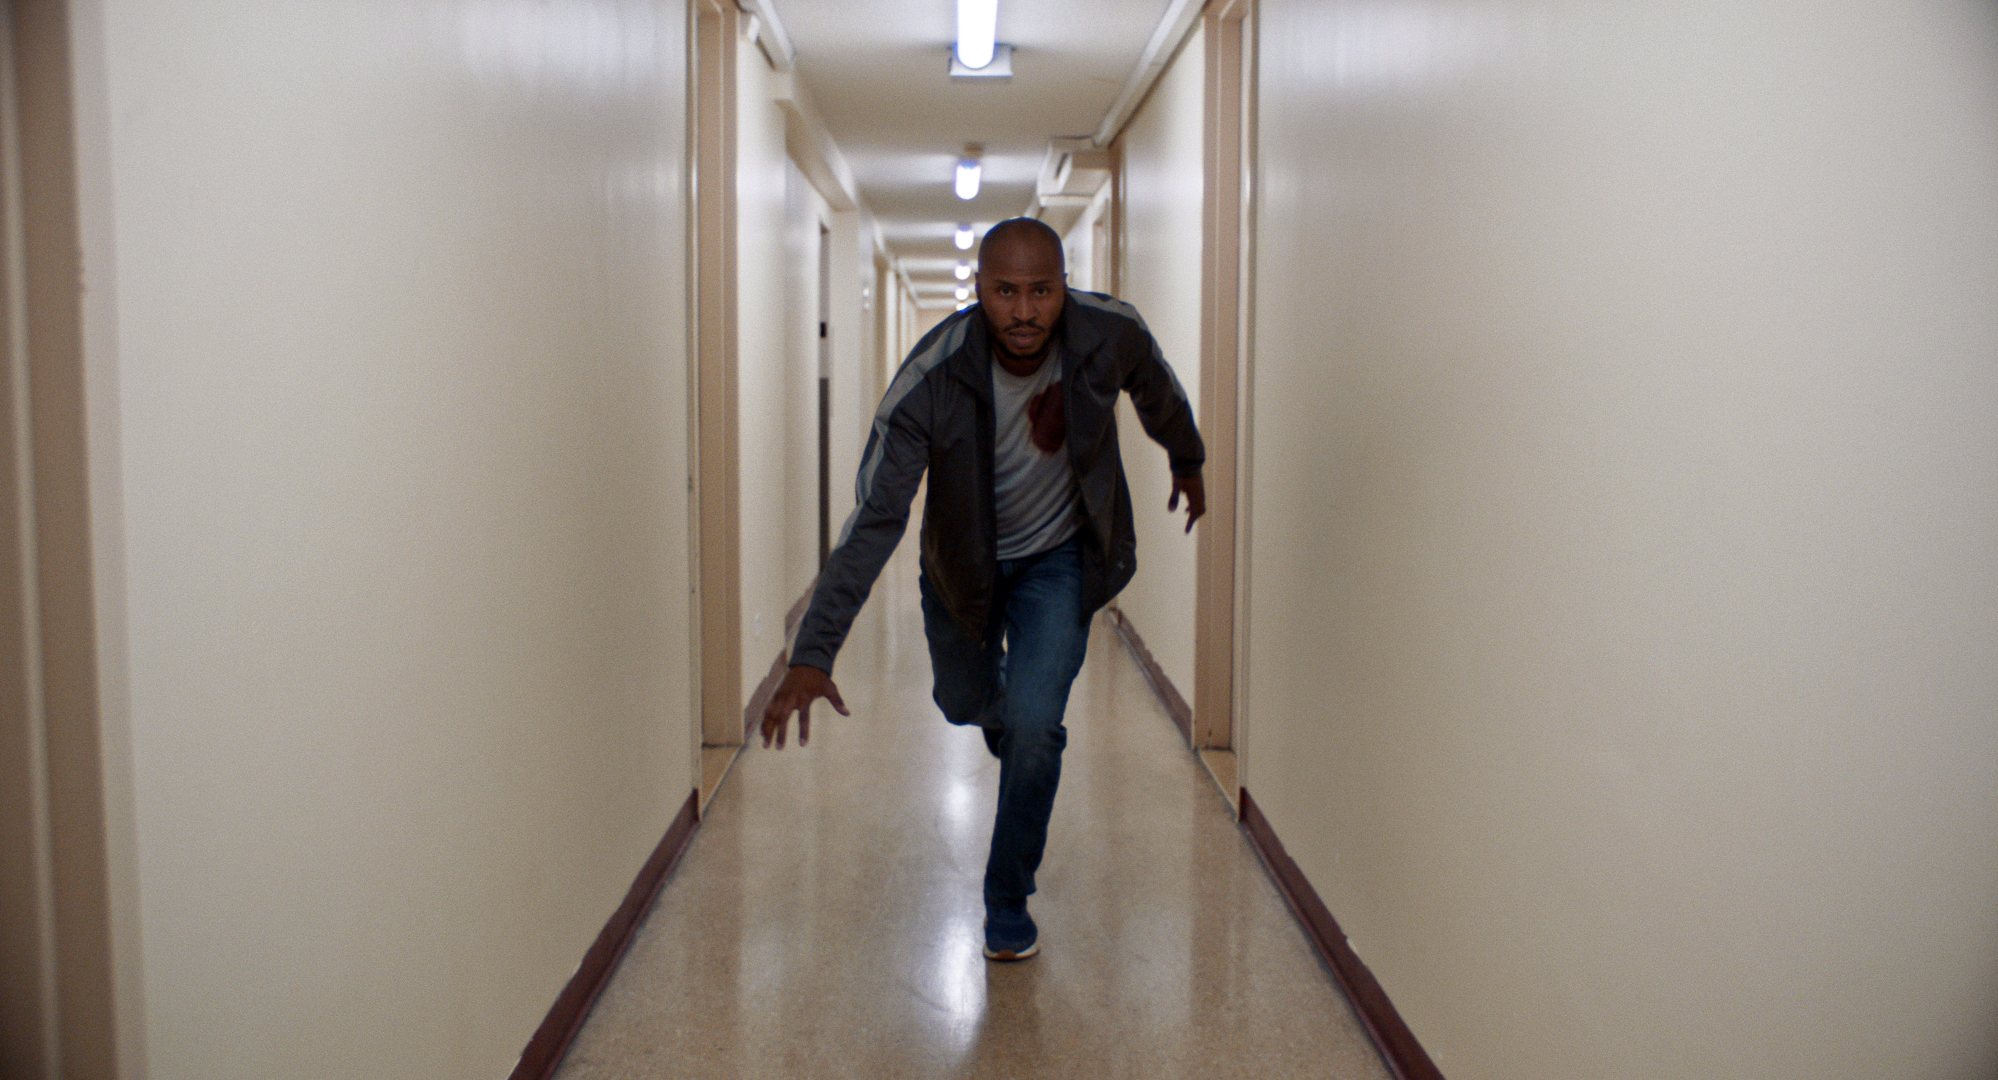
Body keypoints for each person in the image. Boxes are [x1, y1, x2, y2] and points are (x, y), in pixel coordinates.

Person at [759, 216, 1206, 961]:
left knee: (1035, 732)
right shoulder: (932, 380)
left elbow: (1155, 388)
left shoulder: (1108, 333)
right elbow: (876, 520)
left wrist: (1186, 460)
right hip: (961, 569)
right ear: (978, 290)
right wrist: (815, 650)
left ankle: (1007, 897)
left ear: (1065, 287)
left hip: (1059, 562)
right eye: (1005, 293)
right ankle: (998, 707)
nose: (1025, 312)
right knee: (963, 702)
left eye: (1041, 292)